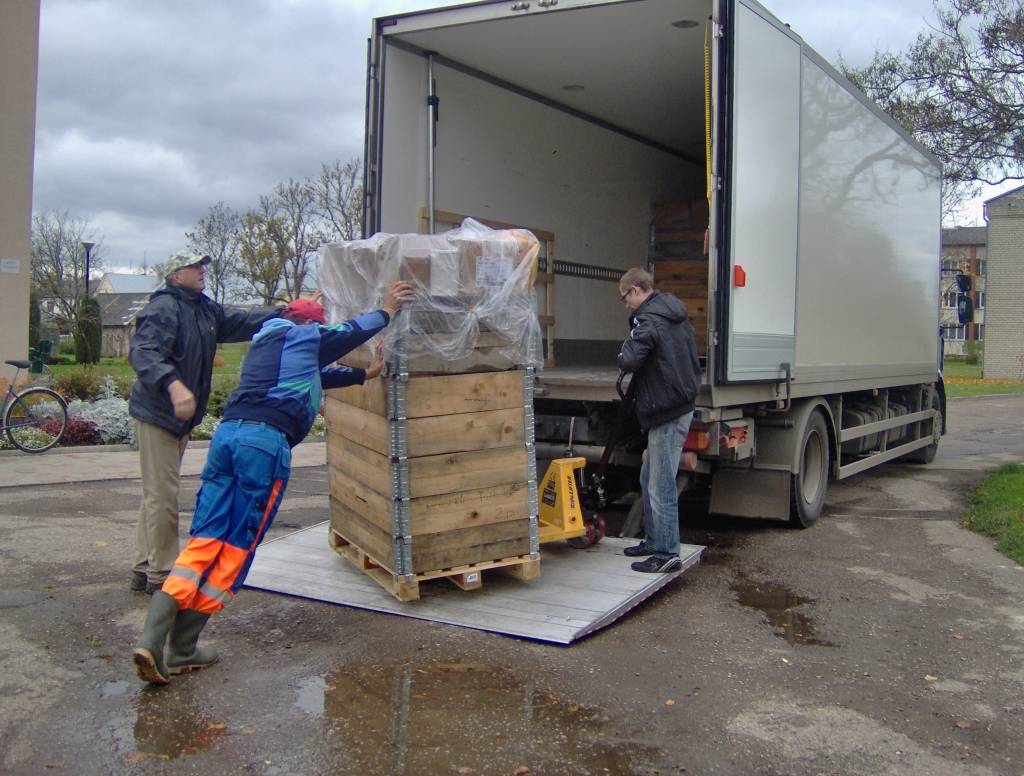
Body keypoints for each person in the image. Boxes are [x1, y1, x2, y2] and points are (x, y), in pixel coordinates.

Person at [132, 282, 416, 685]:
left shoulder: (268, 344)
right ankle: (181, 647)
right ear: (307, 325)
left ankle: (152, 639)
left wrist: (365, 373)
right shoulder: (303, 334)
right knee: (234, 549)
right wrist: (386, 311)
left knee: (205, 540)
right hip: (262, 447)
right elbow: (347, 333)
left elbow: (318, 377)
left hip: (226, 438)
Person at [128, 252, 281, 595]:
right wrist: (173, 384)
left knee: (156, 493)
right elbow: (144, 353)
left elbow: (241, 319)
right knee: (162, 494)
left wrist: (288, 311)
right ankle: (162, 575)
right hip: (158, 413)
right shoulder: (163, 308)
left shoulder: (204, 309)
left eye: (202, 266)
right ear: (174, 275)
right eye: (194, 267)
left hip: (178, 417)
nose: (201, 272)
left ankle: (143, 566)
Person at [616, 267, 701, 573]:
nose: (625, 304)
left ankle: (667, 553)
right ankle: (654, 541)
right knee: (648, 475)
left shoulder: (648, 319)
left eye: (625, 297)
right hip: (677, 403)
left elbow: (630, 359)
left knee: (660, 484)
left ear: (637, 290)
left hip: (667, 409)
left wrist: (623, 350)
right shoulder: (671, 311)